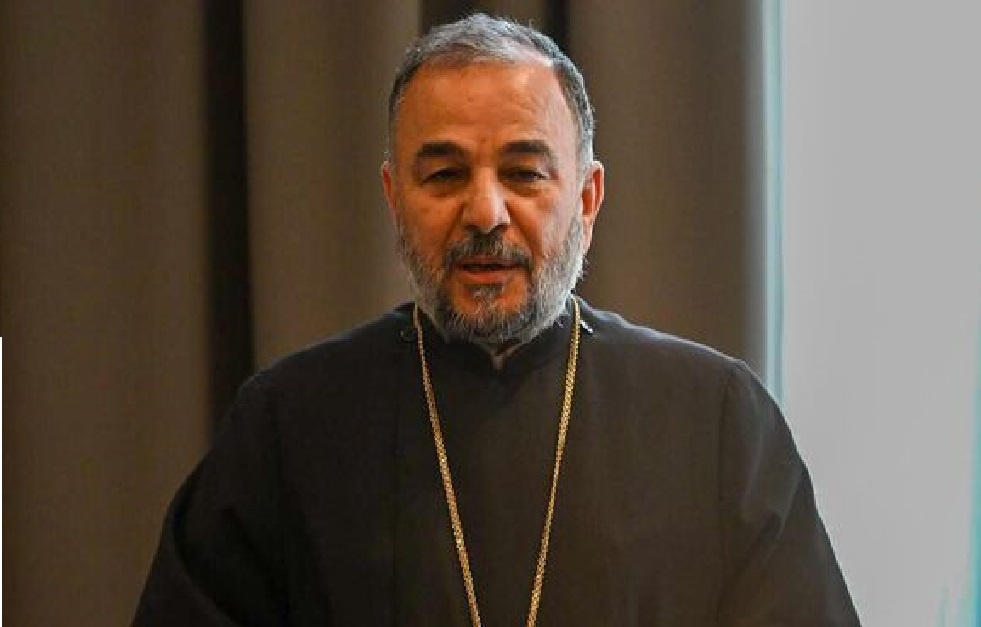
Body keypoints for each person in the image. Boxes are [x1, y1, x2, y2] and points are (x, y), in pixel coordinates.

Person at [134, 13, 860, 627]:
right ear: (394, 198)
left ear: (586, 199)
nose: (485, 213)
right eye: (444, 174)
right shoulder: (288, 424)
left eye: (524, 172)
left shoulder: (714, 419)